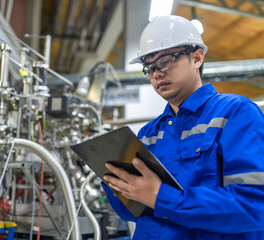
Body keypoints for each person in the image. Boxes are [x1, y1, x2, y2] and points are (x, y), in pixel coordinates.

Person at [101, 15, 264, 239]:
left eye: (165, 61)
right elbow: (133, 213)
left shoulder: (235, 113)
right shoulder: (149, 133)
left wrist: (160, 197)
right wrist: (116, 184)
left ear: (197, 58)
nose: (156, 73)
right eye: (149, 67)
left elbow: (253, 207)